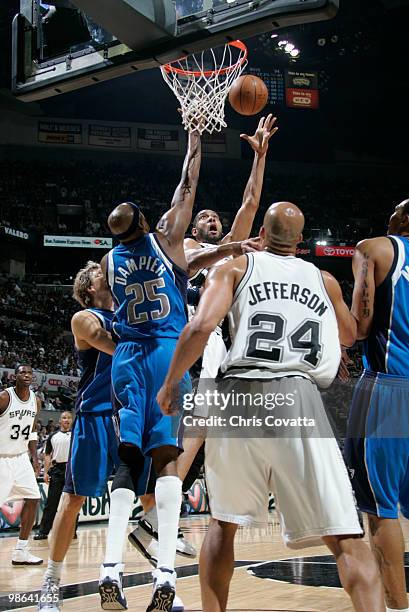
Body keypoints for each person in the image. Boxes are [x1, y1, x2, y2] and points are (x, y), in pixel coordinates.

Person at [158, 202, 385, 612]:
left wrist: (171, 382)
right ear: (301, 240)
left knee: (222, 524)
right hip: (296, 394)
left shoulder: (235, 266)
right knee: (346, 536)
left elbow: (200, 326)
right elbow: (351, 334)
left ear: (261, 232)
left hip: (237, 394)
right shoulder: (324, 279)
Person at [129, 114, 278, 569]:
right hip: (189, 352)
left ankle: (155, 519)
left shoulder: (229, 253)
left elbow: (251, 204)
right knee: (188, 443)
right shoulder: (189, 253)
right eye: (207, 217)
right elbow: (213, 244)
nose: (214, 220)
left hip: (218, 353)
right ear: (194, 229)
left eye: (217, 218)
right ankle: (150, 519)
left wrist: (259, 157)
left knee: (201, 446)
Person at [99, 127, 202, 612]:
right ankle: (165, 576)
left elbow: (105, 303)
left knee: (128, 460)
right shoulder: (168, 239)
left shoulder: (109, 258)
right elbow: (187, 184)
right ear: (144, 219)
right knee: (166, 459)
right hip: (163, 352)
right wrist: (194, 138)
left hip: (126, 357)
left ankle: (110, 572)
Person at [345, 197, 409, 612]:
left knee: (380, 508)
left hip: (391, 387)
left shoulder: (375, 248)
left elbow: (359, 325)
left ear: (404, 219)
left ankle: (398, 609)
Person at [38, 261, 117, 612]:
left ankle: (165, 579)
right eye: (99, 273)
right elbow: (119, 347)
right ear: (88, 289)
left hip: (128, 415)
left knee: (151, 494)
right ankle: (50, 583)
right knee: (73, 500)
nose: (107, 272)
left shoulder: (129, 314)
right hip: (95, 416)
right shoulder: (85, 318)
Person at [0, 363, 43, 565]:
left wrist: (35, 458)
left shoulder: (36, 401)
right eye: (22, 372)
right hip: (1, 458)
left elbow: (32, 431)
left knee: (33, 498)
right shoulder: (4, 397)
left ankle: (21, 551)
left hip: (20, 458)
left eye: (29, 373)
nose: (26, 375)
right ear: (14, 377)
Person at [35, 410, 74, 540]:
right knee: (51, 503)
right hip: (57, 470)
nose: (66, 420)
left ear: (71, 420)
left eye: (69, 418)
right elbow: (47, 455)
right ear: (60, 421)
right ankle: (43, 531)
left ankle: (72, 532)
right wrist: (45, 472)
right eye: (64, 418)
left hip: (72, 471)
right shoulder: (53, 436)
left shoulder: (76, 435)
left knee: (72, 503)